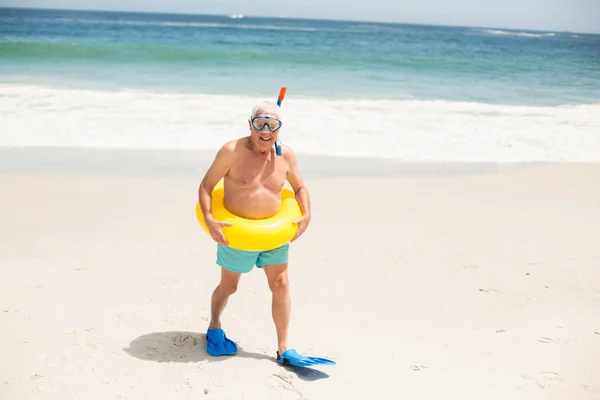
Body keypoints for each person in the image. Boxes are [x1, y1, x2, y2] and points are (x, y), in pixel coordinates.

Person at [197, 100, 312, 361]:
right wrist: (209, 218)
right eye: (260, 124)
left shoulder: (286, 156)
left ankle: (283, 347)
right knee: (229, 287)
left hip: (274, 235)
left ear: (279, 129)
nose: (266, 131)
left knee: (281, 284)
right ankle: (214, 324)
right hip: (236, 234)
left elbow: (300, 188)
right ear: (250, 124)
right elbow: (206, 186)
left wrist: (306, 214)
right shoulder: (231, 151)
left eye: (273, 126)